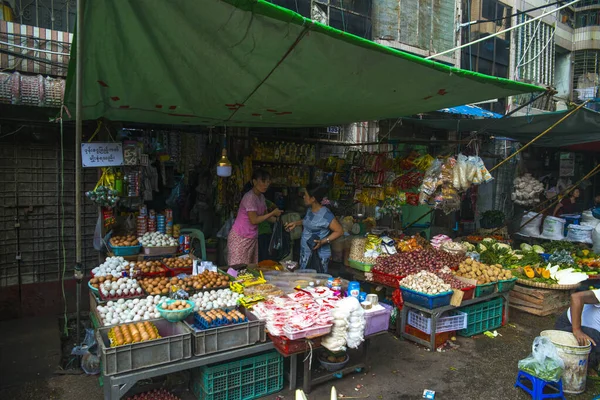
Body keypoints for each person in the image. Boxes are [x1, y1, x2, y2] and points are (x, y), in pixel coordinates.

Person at [227, 169, 282, 265]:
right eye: (263, 181)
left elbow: (266, 217)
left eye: (268, 182)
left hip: (252, 238)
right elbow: (254, 220)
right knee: (237, 269)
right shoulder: (249, 197)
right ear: (254, 181)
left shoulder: (261, 197)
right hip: (240, 238)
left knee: (249, 269)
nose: (266, 185)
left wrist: (280, 222)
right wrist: (272, 213)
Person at [285, 184, 343, 273]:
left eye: (306, 195)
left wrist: (323, 241)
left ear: (313, 199)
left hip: (319, 256)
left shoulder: (326, 214)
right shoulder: (310, 210)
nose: (303, 197)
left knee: (317, 282)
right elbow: (308, 222)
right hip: (306, 253)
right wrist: (296, 223)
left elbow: (339, 231)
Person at [554, 289, 600, 374]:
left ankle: (588, 365)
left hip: (591, 332)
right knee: (597, 338)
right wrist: (577, 330)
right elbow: (576, 297)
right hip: (568, 326)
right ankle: (586, 367)